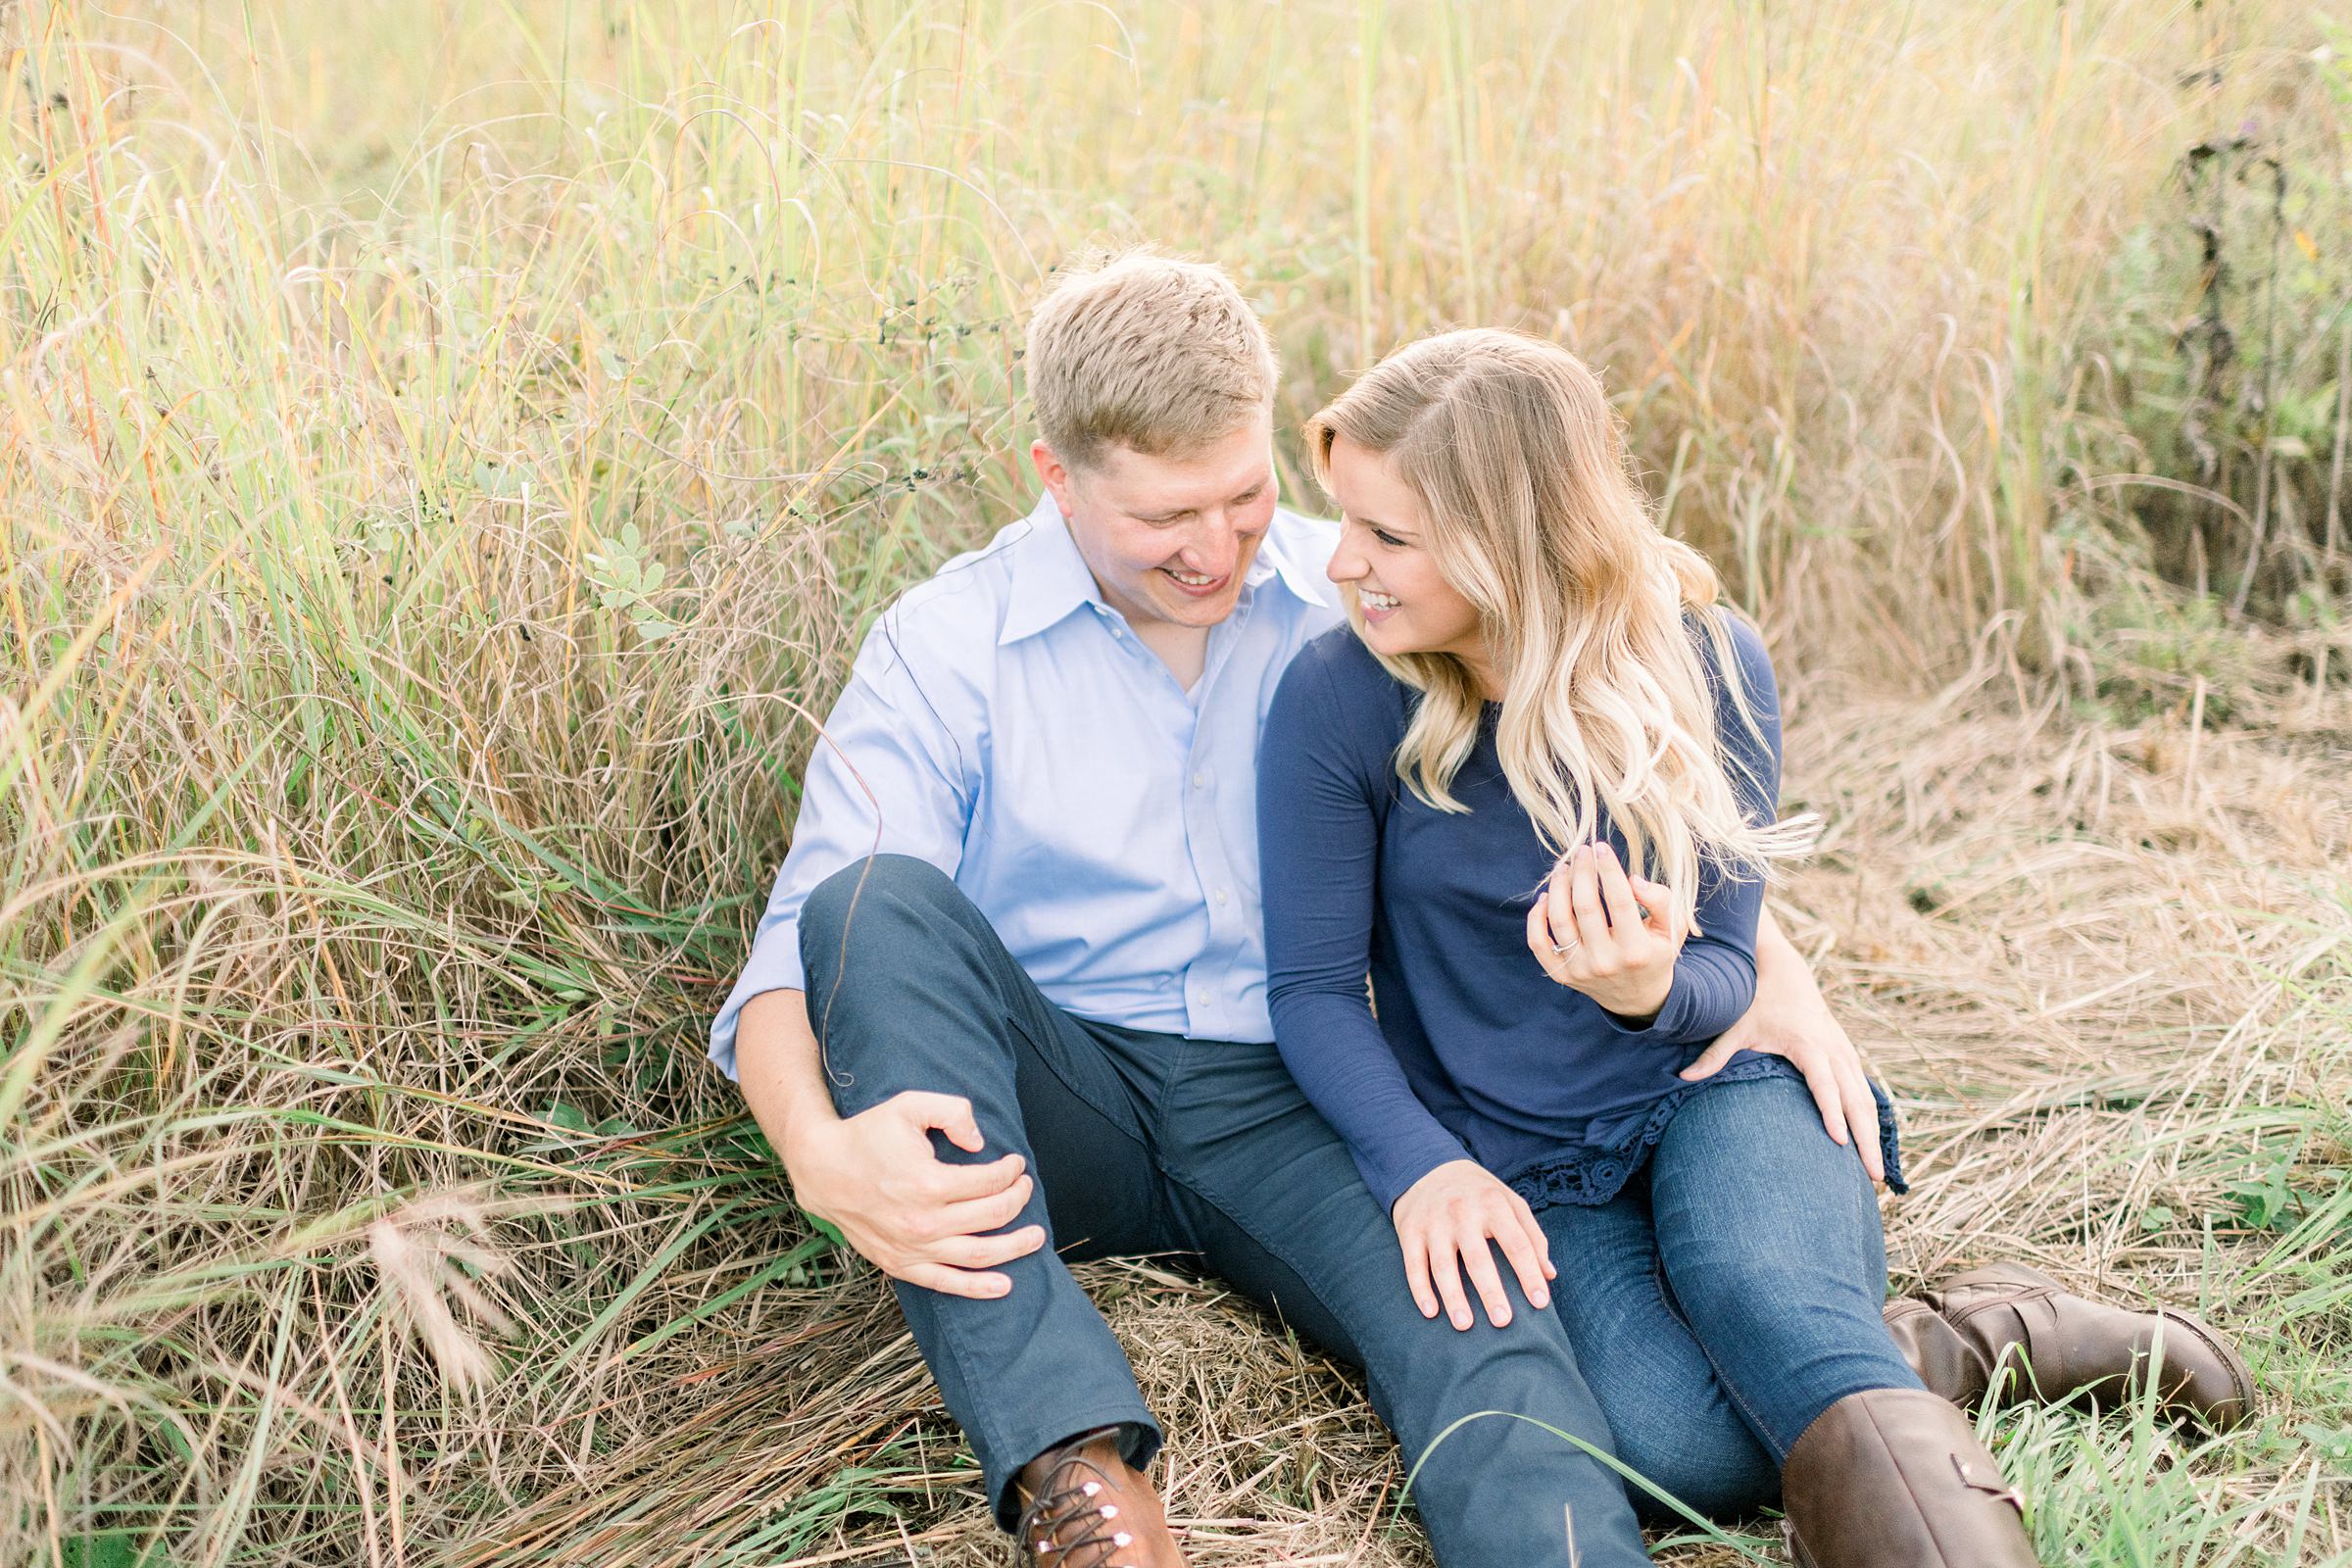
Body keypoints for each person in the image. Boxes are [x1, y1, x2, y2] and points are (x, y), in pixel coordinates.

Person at [710, 253, 2248, 1568]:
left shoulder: (1361, 587)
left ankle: (1896, 1366)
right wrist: (819, 1151)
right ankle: (1076, 1471)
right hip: (1081, 1082)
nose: (1222, 549)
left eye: (1248, 500)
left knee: (1562, 1357)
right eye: (1166, 517)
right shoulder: (961, 645)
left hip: (1313, 1094)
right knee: (872, 906)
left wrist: (1761, 970)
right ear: (1056, 477)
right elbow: (804, 952)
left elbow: (1651, 815)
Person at [1257, 327, 2252, 1568]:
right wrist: (1422, 1168)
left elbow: (1729, 968)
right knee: (1679, 1450)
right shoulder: (1338, 697)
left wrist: (1647, 991)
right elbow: (1309, 991)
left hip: (1716, 1082)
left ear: (1505, 541)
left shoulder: (1707, 659)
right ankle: (1961, 1338)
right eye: (1343, 518)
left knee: (1768, 1301)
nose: (1342, 560)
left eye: (1386, 535)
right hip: (1523, 1156)